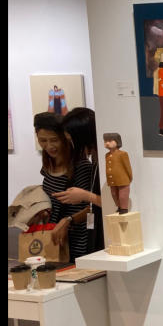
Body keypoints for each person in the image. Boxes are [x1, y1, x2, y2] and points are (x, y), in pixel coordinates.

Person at [34, 112, 93, 262]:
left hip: (77, 239)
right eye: (43, 140)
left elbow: (93, 208)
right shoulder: (48, 165)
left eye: (54, 140)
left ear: (65, 137)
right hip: (53, 236)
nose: (49, 146)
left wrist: (69, 220)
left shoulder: (81, 166)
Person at [56, 107, 104, 253]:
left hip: (105, 233)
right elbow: (94, 205)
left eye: (71, 139)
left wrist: (84, 195)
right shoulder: (95, 158)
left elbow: (116, 203)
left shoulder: (105, 159)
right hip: (96, 232)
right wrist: (70, 219)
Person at [103, 133, 133, 214]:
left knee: (123, 194)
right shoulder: (107, 155)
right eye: (105, 141)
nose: (107, 143)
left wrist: (130, 177)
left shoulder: (122, 154)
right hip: (112, 180)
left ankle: (124, 208)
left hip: (123, 179)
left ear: (117, 141)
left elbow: (127, 166)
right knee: (114, 194)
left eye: (110, 141)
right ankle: (119, 207)